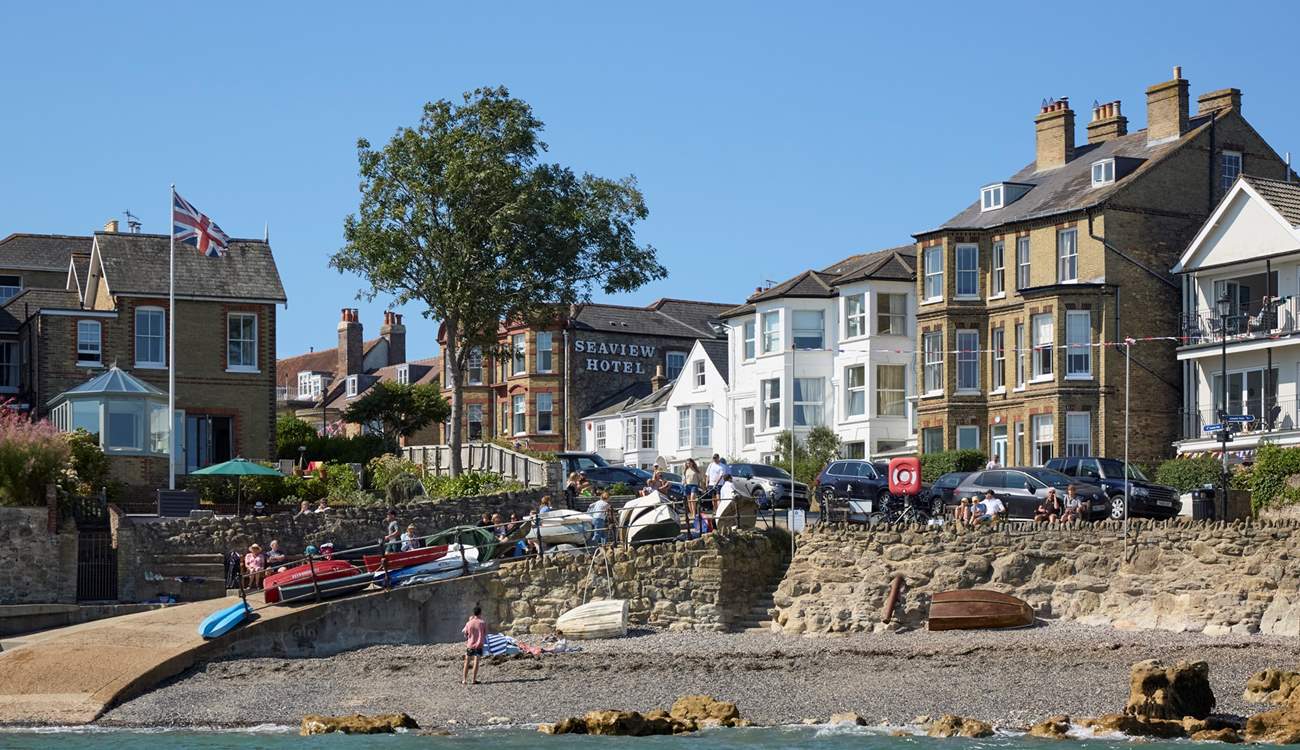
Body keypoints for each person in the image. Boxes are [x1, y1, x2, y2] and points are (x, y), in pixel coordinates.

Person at [462, 605, 487, 685]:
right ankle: (473, 680)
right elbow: (485, 634)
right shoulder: (482, 623)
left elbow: (465, 634)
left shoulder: (469, 623)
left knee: (467, 661)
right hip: (478, 645)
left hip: (470, 644)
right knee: (476, 661)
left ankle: (464, 680)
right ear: (480, 613)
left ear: (474, 613)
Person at [683, 458, 703, 522]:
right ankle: (692, 513)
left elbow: (700, 479)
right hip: (687, 486)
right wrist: (684, 483)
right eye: (687, 463)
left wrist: (703, 487)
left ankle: (694, 514)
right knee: (689, 501)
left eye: (689, 463)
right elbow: (684, 479)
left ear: (692, 463)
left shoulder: (696, 470)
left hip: (694, 485)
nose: (688, 464)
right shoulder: (686, 470)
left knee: (692, 499)